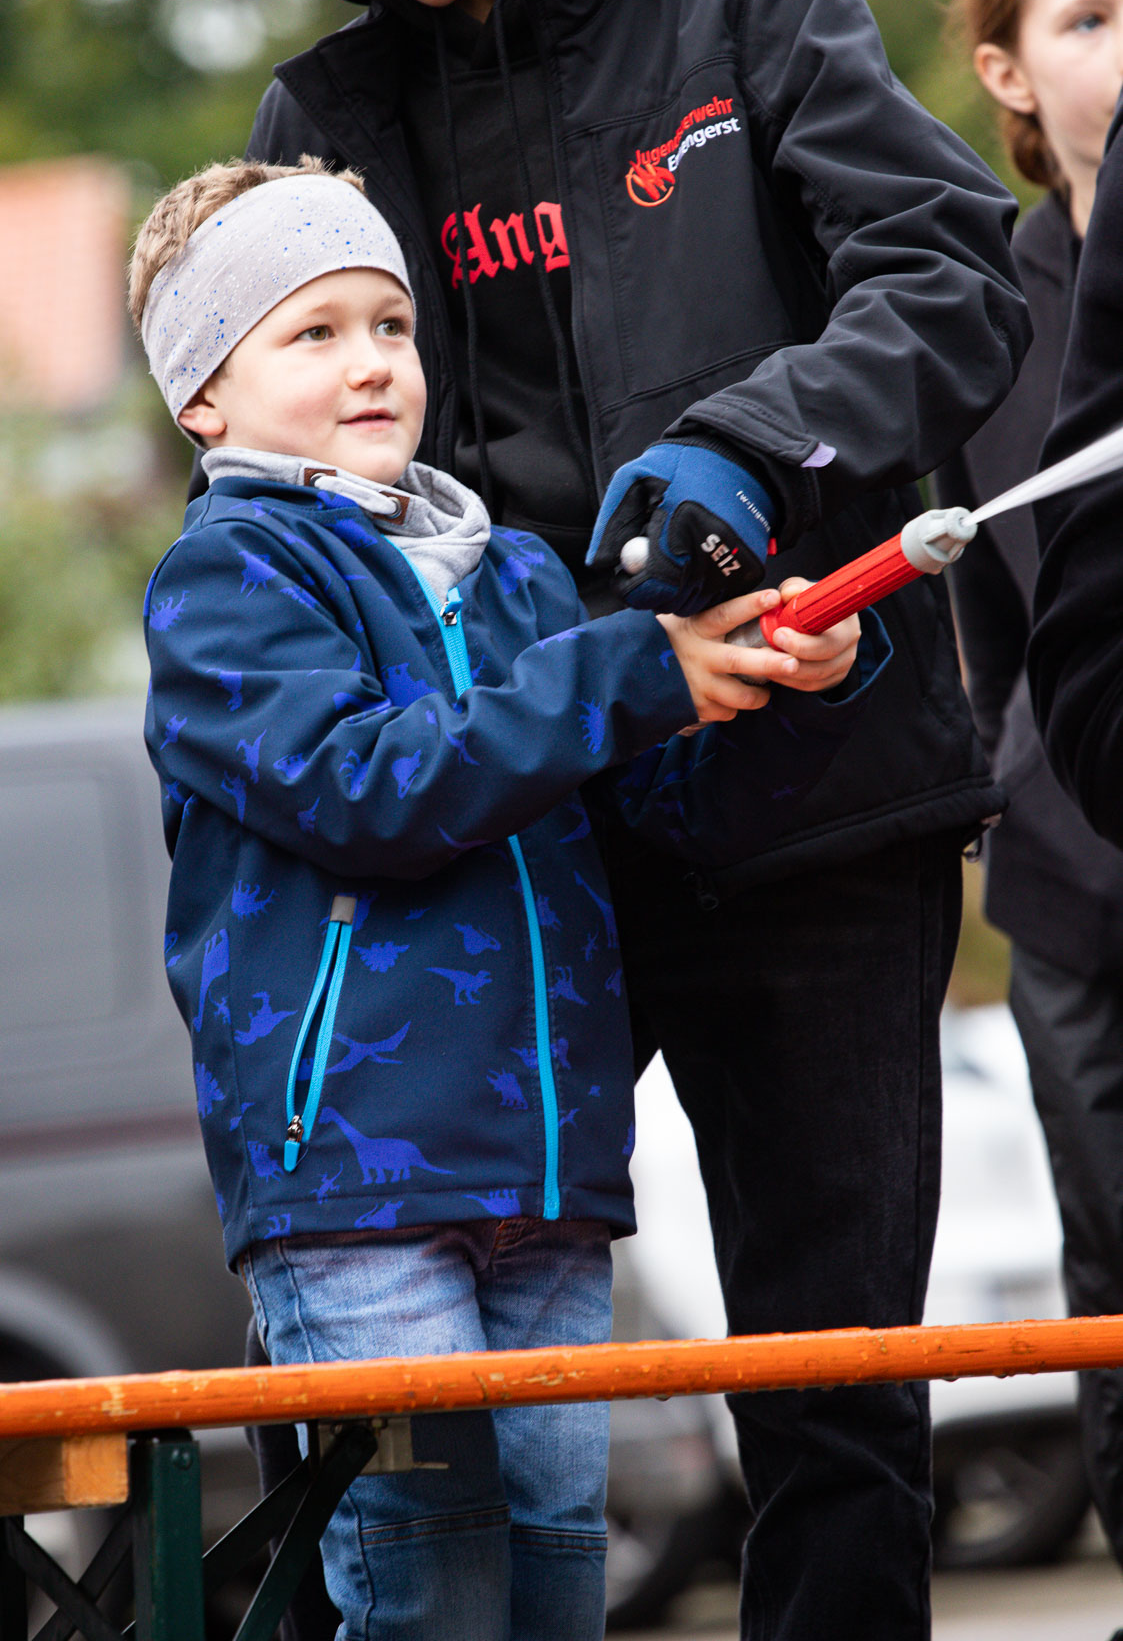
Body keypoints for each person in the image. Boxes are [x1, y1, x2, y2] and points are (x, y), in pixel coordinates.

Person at [135, 0, 1030, 1633]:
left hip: (817, 805)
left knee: (829, 1407)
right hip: (514, 859)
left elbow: (946, 274)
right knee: (410, 1433)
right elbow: (302, 477)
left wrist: (752, 447)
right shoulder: (329, 110)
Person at [136, 156, 879, 1641]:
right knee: (429, 1588)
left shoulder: (525, 576)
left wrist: (776, 687)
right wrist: (626, 671)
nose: (371, 363)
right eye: (313, 331)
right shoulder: (227, 578)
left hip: (548, 1179)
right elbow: (369, 788)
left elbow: (640, 815)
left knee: (556, 1580)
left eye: (392, 325)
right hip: (359, 1191)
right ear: (201, 396)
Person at [936, 0, 1123, 1564]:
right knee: (1113, 1264)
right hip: (1070, 886)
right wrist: (1010, 798)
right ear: (1007, 72)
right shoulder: (983, 317)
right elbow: (982, 613)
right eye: (1091, 17)